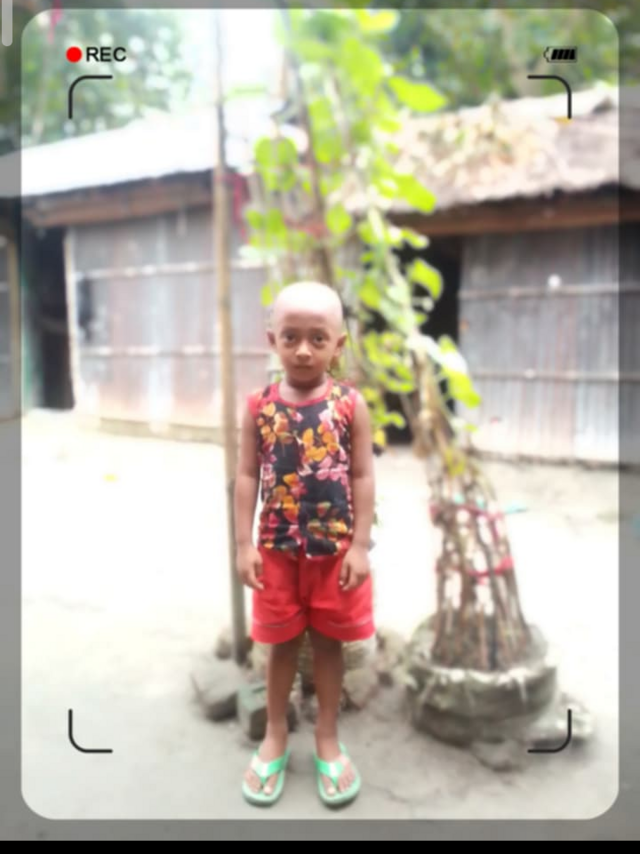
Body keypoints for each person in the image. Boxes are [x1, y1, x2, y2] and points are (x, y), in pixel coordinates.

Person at [234, 280, 375, 808]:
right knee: (281, 646)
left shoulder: (350, 405)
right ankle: (275, 734)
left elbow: (362, 476)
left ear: (339, 344)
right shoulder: (259, 407)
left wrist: (360, 546)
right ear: (271, 339)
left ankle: (327, 739)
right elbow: (247, 475)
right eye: (290, 336)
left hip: (334, 554)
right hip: (275, 552)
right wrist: (243, 544)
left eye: (318, 338)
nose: (302, 350)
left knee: (329, 644)